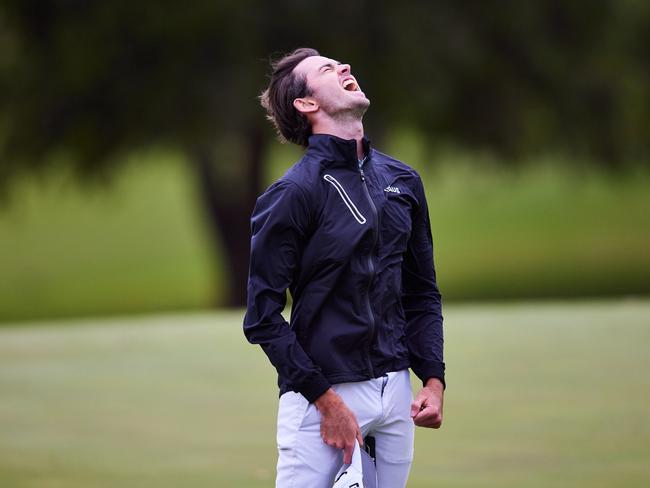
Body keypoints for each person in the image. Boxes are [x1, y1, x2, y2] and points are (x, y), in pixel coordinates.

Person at [243, 47, 445, 488]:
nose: (345, 68)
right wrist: (324, 399)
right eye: (328, 70)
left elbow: (422, 294)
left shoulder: (402, 181)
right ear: (306, 103)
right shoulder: (291, 194)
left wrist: (432, 378)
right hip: (323, 397)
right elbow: (261, 319)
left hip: (395, 395)